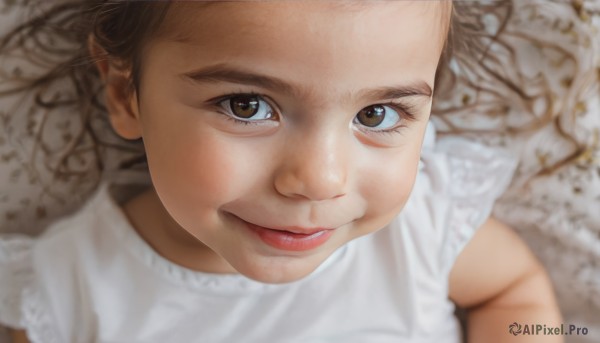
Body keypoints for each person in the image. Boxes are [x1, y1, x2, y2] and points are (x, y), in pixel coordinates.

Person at [0, 1, 562, 342]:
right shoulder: (71, 290)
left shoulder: (421, 233)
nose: (320, 180)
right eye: (246, 105)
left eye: (377, 114)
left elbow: (514, 295)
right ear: (126, 92)